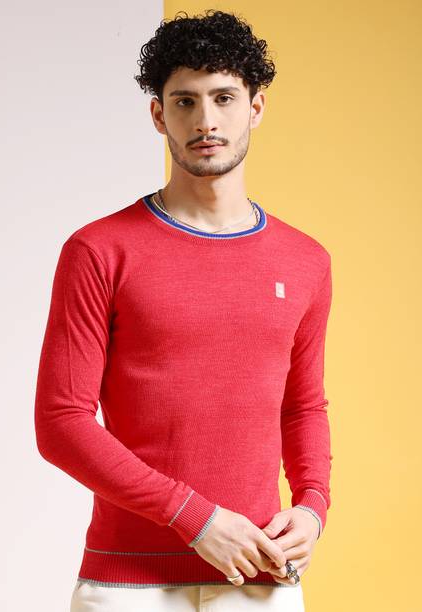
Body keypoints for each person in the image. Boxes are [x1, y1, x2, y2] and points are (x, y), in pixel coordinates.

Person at [34, 9, 333, 611]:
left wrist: (312, 506)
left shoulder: (306, 261)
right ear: (158, 115)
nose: (206, 121)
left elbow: (302, 405)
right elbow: (61, 422)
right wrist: (195, 519)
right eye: (185, 101)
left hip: (260, 576)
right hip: (127, 584)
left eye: (224, 97)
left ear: (256, 107)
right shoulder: (99, 250)